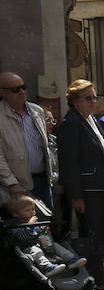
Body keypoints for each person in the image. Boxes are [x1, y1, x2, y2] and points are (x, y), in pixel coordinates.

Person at [56, 80, 104, 287]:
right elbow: (69, 163)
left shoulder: (92, 119)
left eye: (95, 97)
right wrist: (76, 196)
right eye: (88, 98)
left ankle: (98, 276)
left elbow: (97, 147)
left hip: (103, 185)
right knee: (92, 238)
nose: (93, 101)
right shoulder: (70, 124)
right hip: (89, 190)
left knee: (101, 235)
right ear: (75, 101)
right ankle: (94, 283)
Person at [0, 71, 55, 209]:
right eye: (15, 89)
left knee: (46, 226)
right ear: (3, 93)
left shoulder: (37, 111)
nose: (22, 92)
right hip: (17, 187)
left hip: (43, 181)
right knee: (24, 229)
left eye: (23, 87)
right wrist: (12, 183)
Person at [6, 195, 86, 277]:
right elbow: (22, 237)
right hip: (27, 247)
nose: (32, 212)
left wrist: (44, 231)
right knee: (36, 250)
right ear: (15, 214)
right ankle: (47, 267)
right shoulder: (15, 225)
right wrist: (30, 225)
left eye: (33, 209)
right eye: (27, 210)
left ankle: (71, 259)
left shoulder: (35, 221)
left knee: (55, 245)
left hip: (42, 244)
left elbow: (40, 235)